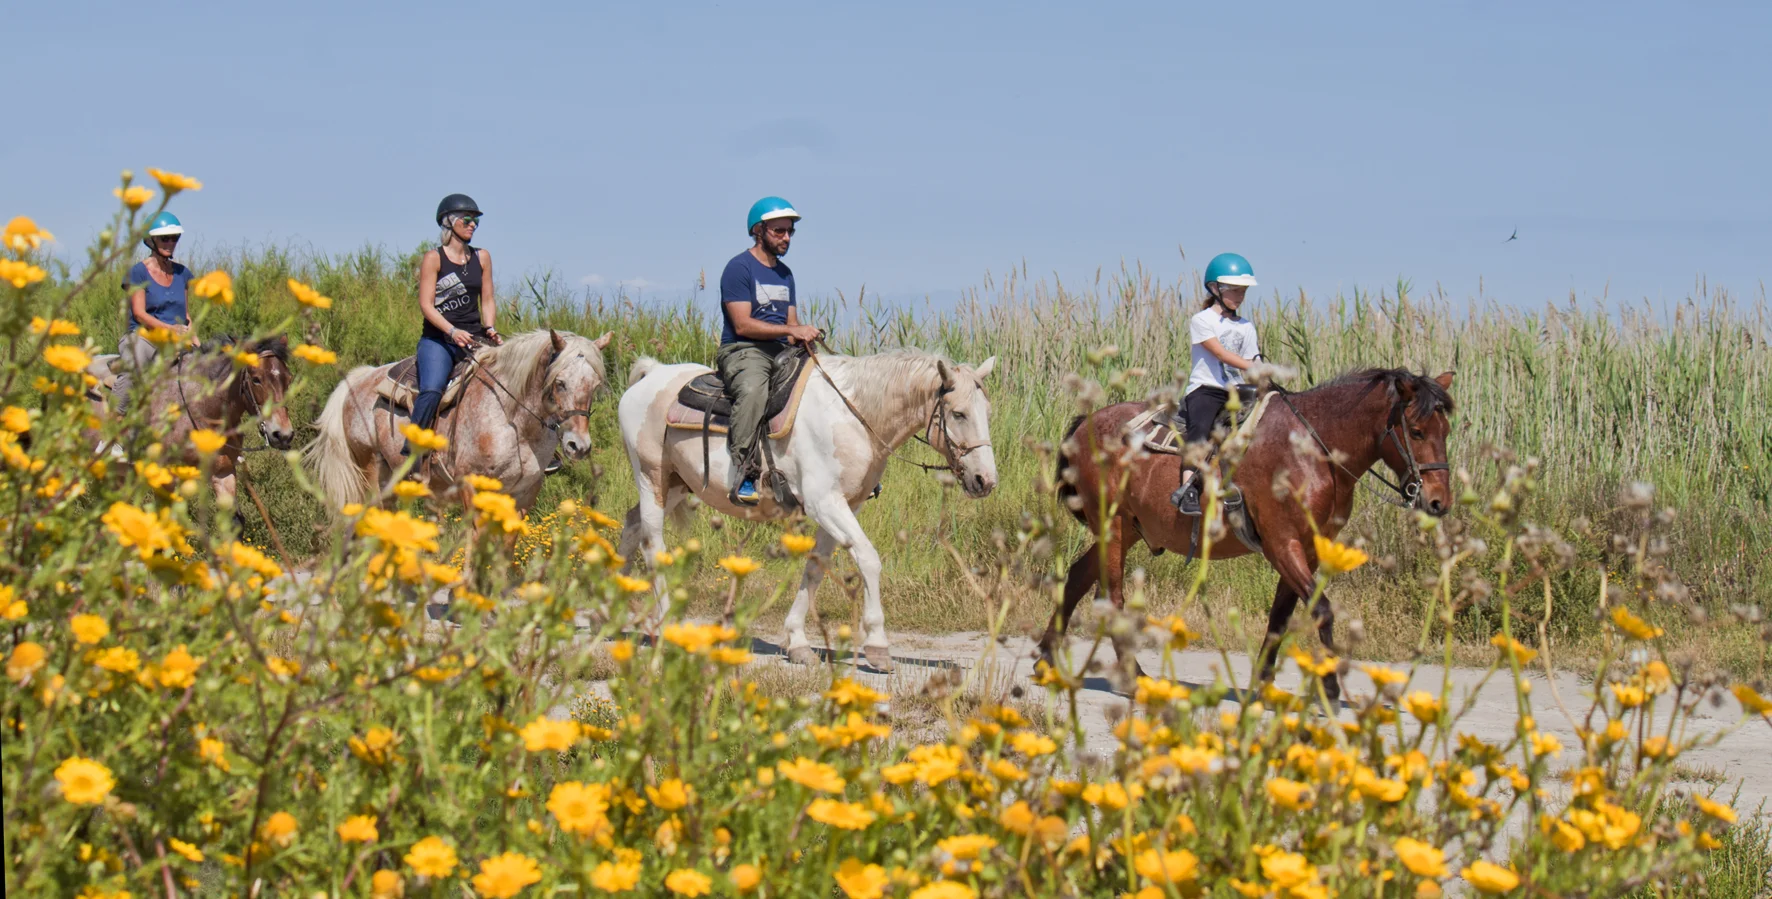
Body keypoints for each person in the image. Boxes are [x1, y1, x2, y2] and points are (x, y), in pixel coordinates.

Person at [718, 196, 821, 505]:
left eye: (790, 232)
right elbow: (742, 325)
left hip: (779, 350)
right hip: (744, 350)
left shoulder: (785, 274)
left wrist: (802, 337)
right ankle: (744, 471)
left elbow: (791, 324)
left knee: (825, 386)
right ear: (758, 231)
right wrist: (791, 330)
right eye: (779, 231)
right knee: (752, 391)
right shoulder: (739, 268)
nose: (786, 238)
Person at [406, 193, 502, 455]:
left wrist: (490, 327)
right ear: (449, 223)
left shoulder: (482, 257)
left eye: (476, 221)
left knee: (516, 375)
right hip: (439, 341)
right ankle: (412, 451)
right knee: (433, 388)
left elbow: (488, 299)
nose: (473, 225)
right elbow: (426, 305)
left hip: (473, 338)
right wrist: (451, 330)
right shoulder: (434, 258)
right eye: (467, 219)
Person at [1171, 252, 1262, 515]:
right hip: (1207, 389)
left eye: (1243, 290)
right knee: (1200, 433)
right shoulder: (1202, 320)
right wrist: (1253, 365)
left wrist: (1262, 376)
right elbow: (1220, 354)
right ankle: (1186, 489)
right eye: (1235, 289)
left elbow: (1250, 360)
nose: (1240, 295)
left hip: (1238, 391)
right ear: (1215, 288)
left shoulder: (1246, 326)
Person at [115, 211, 198, 412]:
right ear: (151, 241)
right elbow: (139, 314)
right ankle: (112, 425)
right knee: (135, 364)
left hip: (177, 341)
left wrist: (196, 341)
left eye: (174, 238)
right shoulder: (137, 272)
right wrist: (170, 329)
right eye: (164, 238)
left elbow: (186, 315)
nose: (170, 242)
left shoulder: (182, 273)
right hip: (145, 338)